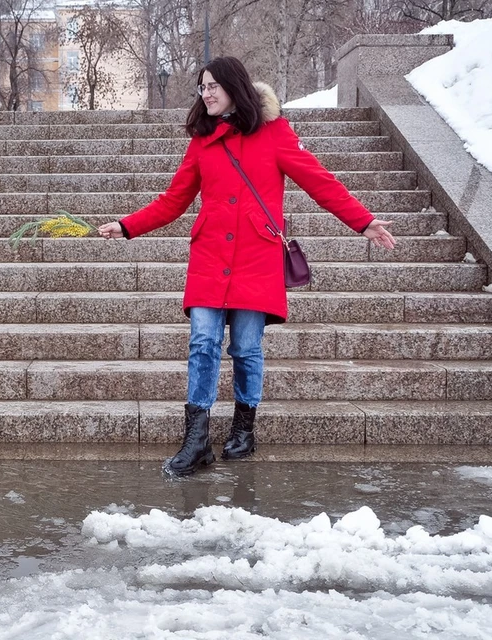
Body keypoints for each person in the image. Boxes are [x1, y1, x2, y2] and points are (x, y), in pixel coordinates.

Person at [98, 57, 396, 477]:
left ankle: (243, 428)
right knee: (203, 342)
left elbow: (319, 181)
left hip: (257, 258)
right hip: (209, 258)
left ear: (235, 88)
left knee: (246, 348)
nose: (207, 93)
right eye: (202, 87)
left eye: (214, 86)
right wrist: (127, 226)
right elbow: (173, 200)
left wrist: (363, 221)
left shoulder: (274, 134)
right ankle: (196, 440)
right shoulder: (202, 141)